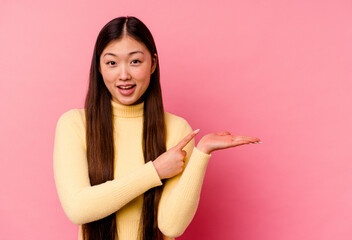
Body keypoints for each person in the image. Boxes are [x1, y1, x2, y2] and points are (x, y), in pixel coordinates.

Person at [53, 16, 261, 240]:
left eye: (135, 61)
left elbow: (171, 227)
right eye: (112, 63)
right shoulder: (74, 124)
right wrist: (154, 171)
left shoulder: (177, 129)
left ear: (152, 63)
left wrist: (201, 154)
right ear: (99, 67)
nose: (124, 75)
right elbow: (78, 208)